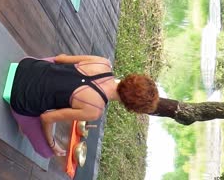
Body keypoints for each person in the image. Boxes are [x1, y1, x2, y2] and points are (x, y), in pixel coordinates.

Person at [9, 54, 159, 157]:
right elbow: (47, 118)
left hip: (28, 65)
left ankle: (29, 124)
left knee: (57, 65)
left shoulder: (103, 63)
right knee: (46, 152)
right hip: (20, 99)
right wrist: (52, 143)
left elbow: (60, 59)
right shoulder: (94, 110)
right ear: (129, 107)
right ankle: (25, 123)